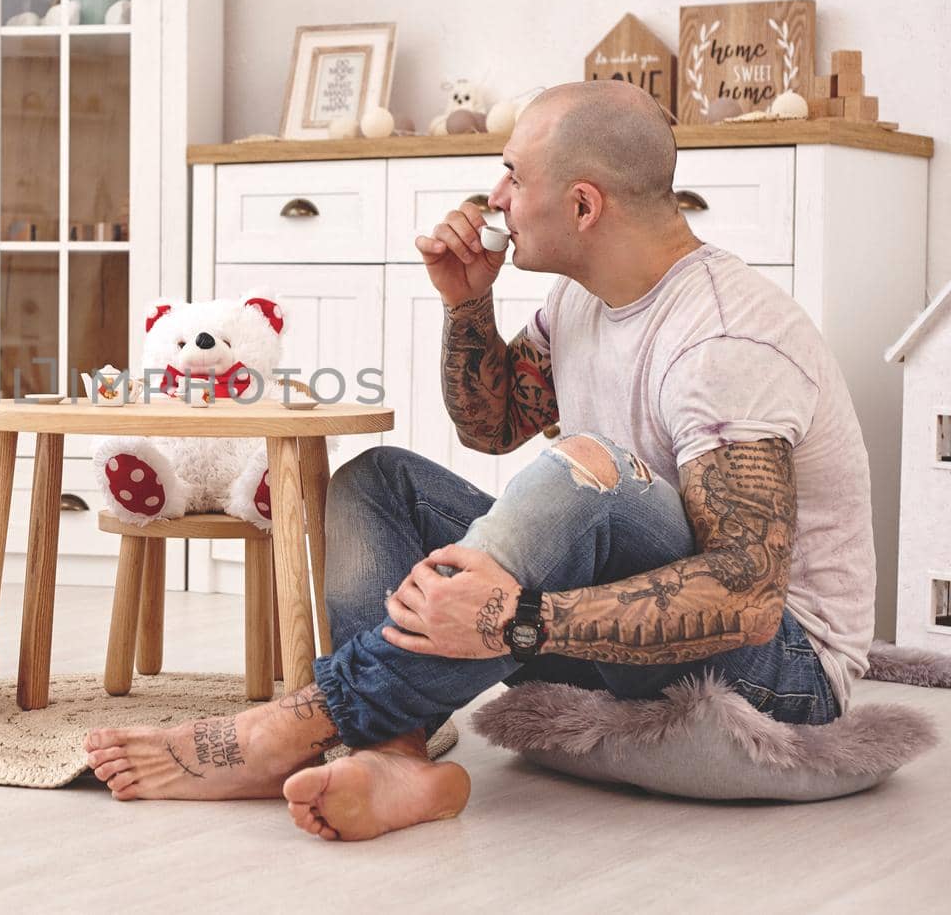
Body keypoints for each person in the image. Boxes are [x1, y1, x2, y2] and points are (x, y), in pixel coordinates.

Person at [83, 80, 875, 841]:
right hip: (626, 632)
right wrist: (468, 302)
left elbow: (749, 596)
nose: (493, 197)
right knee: (378, 482)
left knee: (591, 472)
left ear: (583, 204)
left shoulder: (725, 339)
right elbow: (491, 425)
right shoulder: (581, 300)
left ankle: (308, 716)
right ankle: (393, 757)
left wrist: (519, 619)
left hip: (779, 675)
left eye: (512, 175)